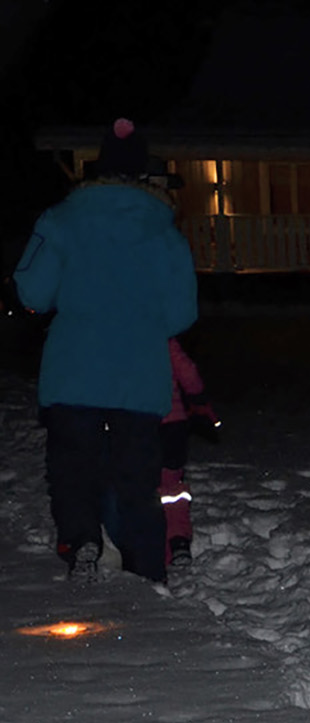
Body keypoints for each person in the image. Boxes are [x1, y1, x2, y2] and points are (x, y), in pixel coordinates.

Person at [12, 118, 197, 584]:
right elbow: (182, 313)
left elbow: (32, 291)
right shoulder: (165, 232)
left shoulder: (60, 220)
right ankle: (146, 568)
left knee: (73, 467)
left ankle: (82, 540)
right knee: (138, 477)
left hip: (73, 372)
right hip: (139, 376)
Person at [158, 336, 219, 574]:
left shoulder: (119, 334)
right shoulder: (162, 335)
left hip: (137, 421)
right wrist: (198, 397)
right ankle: (178, 541)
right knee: (172, 487)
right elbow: (186, 369)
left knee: (143, 485)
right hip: (172, 421)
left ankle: (155, 546)